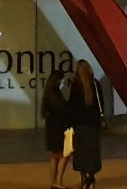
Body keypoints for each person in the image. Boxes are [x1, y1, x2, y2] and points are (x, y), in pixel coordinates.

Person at [66, 59, 104, 189]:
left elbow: (72, 106)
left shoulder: (76, 86)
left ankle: (84, 180)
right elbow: (101, 104)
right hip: (93, 124)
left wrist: (69, 122)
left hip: (80, 124)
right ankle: (91, 179)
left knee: (81, 153)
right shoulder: (96, 84)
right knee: (92, 152)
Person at [42, 72, 72, 189]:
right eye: (62, 80)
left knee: (55, 155)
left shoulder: (49, 93)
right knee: (64, 154)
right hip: (58, 128)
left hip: (52, 127)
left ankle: (54, 182)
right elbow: (61, 109)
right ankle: (58, 182)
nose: (63, 82)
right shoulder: (54, 94)